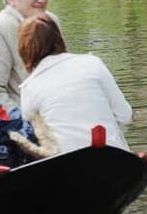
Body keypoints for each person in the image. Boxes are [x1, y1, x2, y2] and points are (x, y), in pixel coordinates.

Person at [18, 14, 132, 153]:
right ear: (59, 39)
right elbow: (125, 115)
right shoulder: (92, 64)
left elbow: (34, 138)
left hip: (66, 164)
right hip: (114, 156)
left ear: (24, 50)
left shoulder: (29, 88)